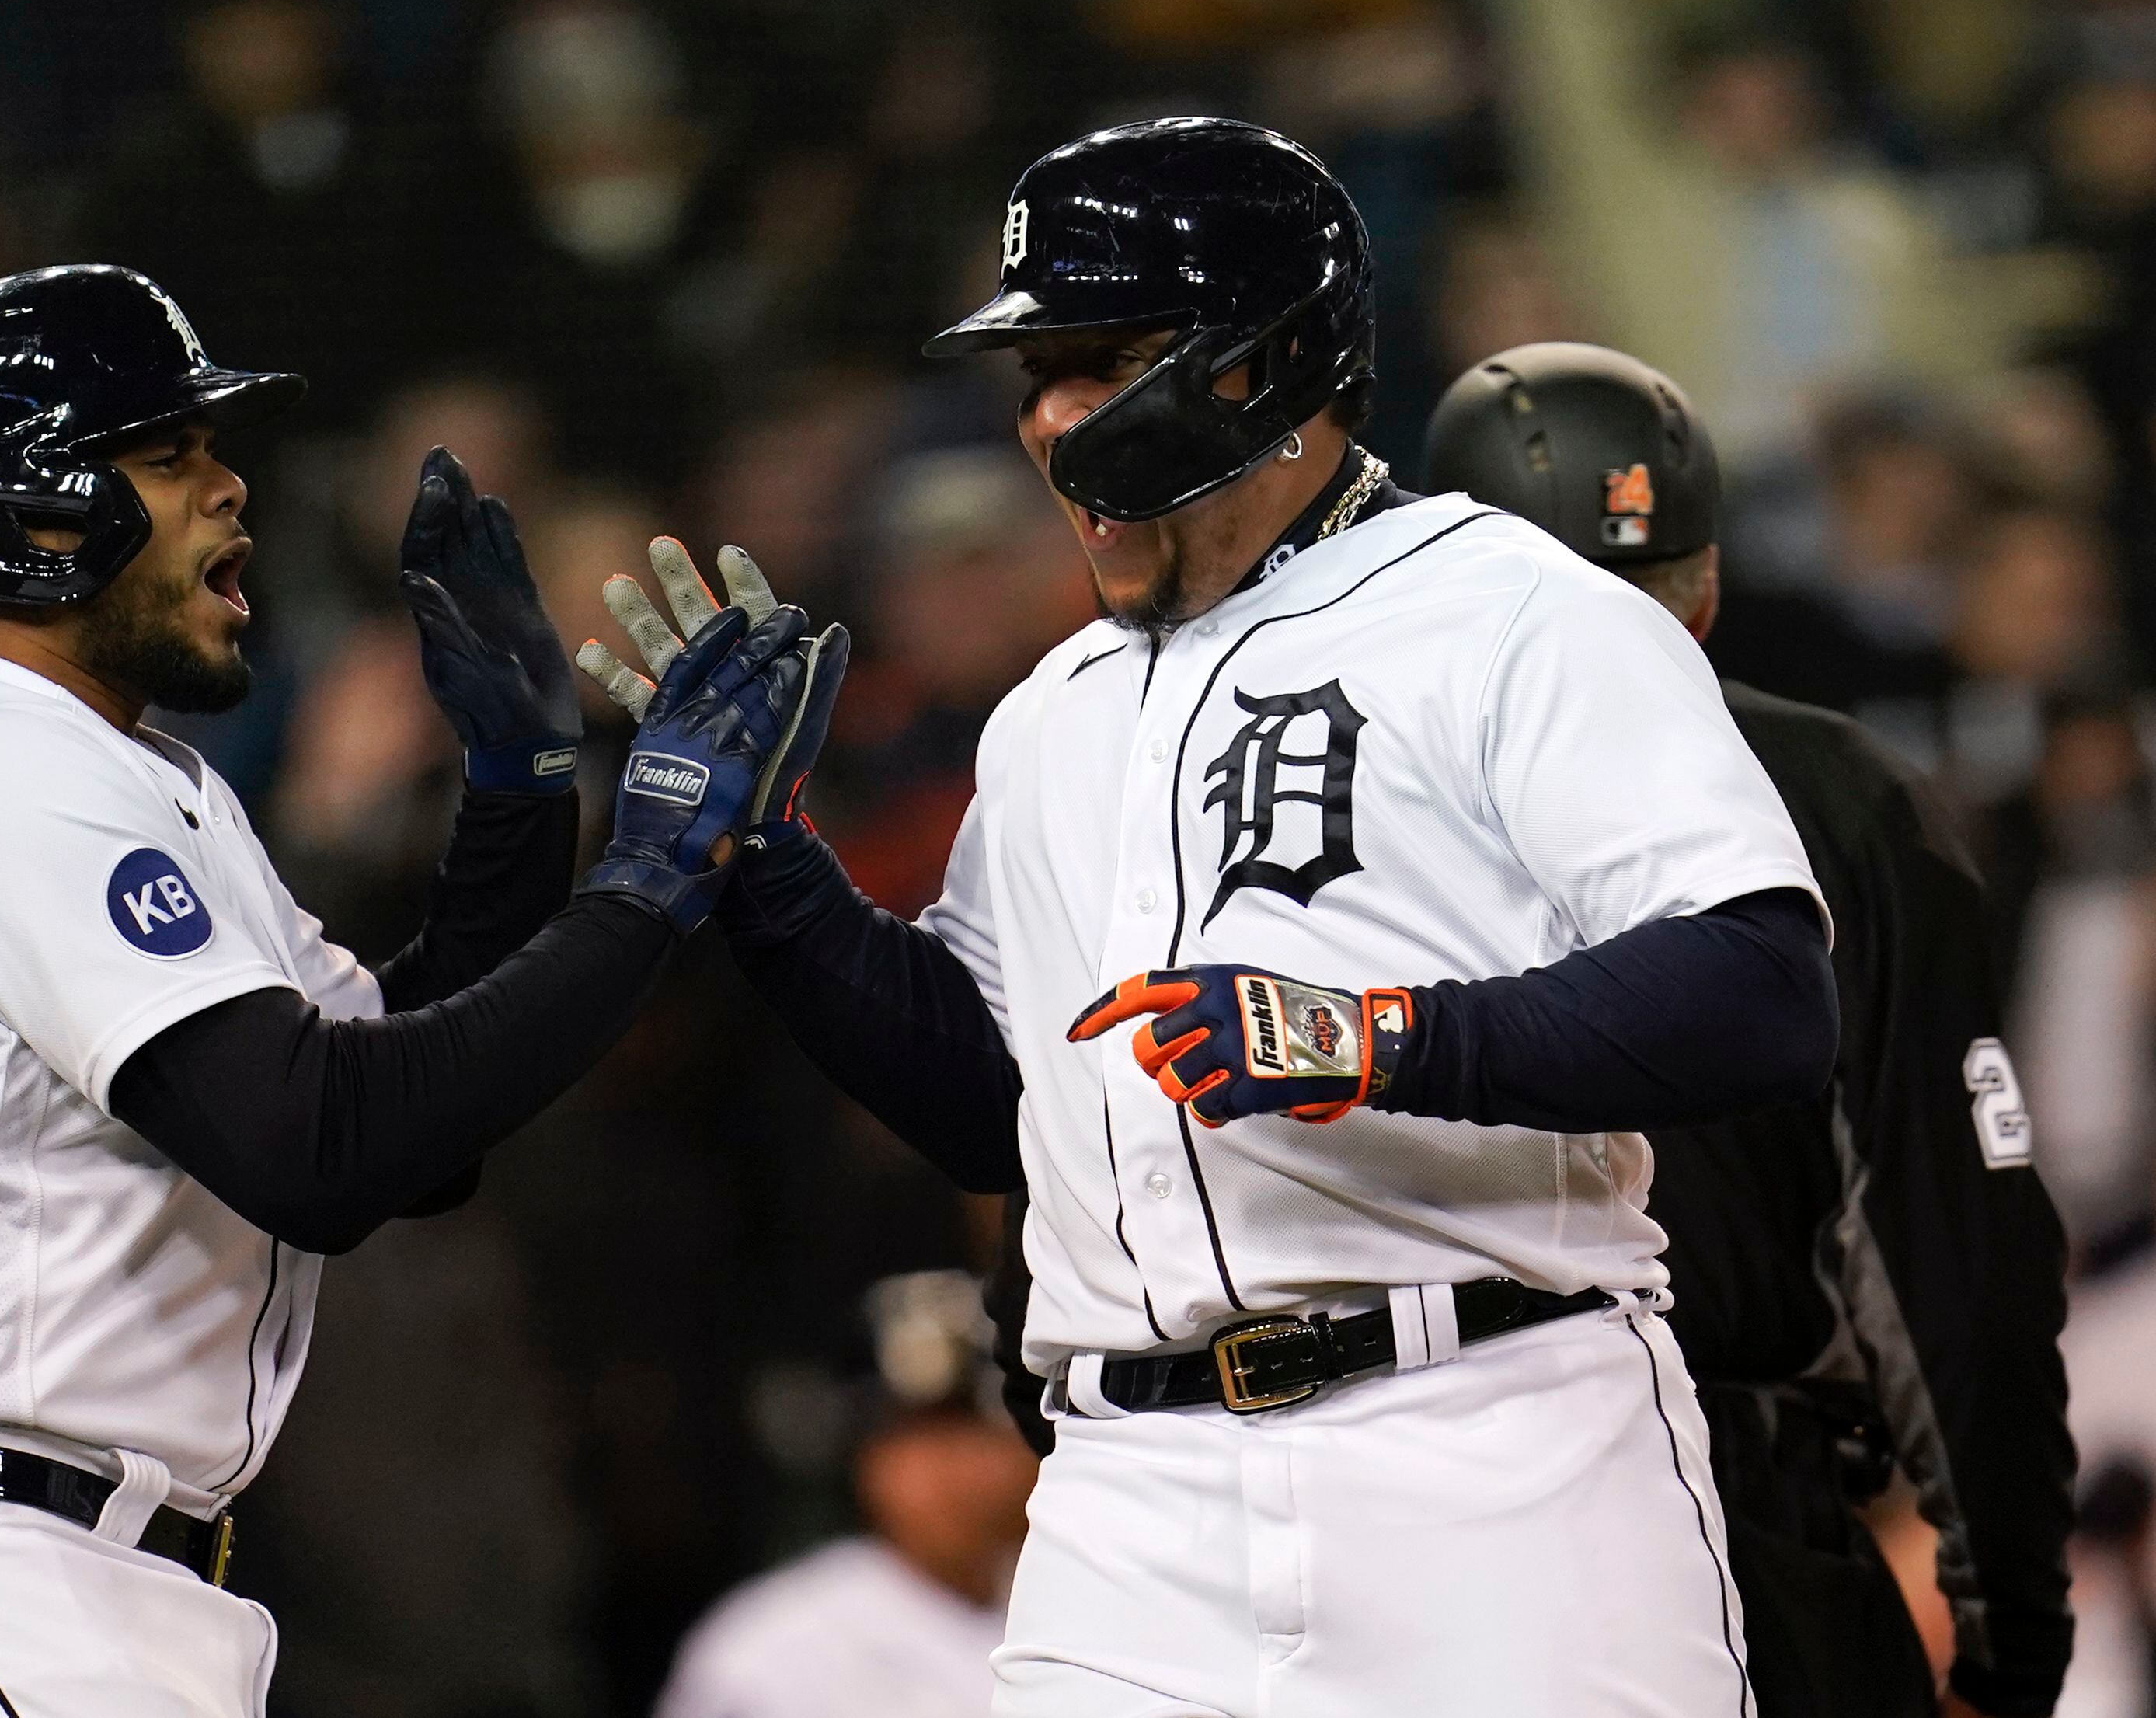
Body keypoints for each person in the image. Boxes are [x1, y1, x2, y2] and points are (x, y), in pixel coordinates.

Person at [579, 118, 1836, 1716]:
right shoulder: (1052, 716)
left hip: (1489, 1451)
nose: (1043, 424)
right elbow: (989, 1105)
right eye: (1029, 378)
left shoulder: (1508, 611)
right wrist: (765, 867)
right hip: (1130, 1502)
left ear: (1259, 365)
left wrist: (1377, 1038)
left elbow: (1759, 990)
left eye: (1091, 365)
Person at [0, 264, 813, 1718]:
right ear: (31, 507)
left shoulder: (109, 769)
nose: (232, 488)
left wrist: (517, 788)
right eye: (170, 455)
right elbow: (322, 1147)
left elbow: (408, 1113)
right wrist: (649, 876)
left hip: (39, 1573)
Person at [1422, 341, 2076, 1718]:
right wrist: (2006, 1628)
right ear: (1707, 583)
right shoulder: (1831, 798)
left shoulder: (1299, 797)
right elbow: (1949, 1254)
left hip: (1383, 1514)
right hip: (1724, 1520)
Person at [653, 1273, 1040, 1718]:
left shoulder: (1087, 1603)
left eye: (974, 1428)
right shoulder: (766, 1653)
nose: (957, 1467)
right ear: (864, 1459)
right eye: (917, 1434)